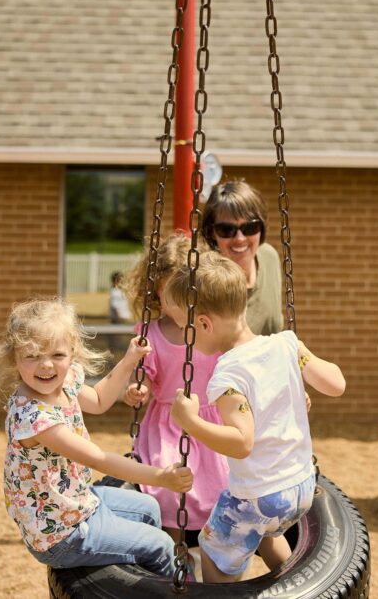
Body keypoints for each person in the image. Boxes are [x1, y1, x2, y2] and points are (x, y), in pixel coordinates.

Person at [166, 252, 346, 583]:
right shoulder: (287, 344)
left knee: (211, 548)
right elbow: (336, 385)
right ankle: (295, 585)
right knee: (264, 533)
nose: (183, 338)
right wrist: (297, 368)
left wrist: (190, 421)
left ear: (204, 324)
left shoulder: (227, 375)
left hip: (259, 498)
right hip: (302, 488)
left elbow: (242, 442)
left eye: (183, 328)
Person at [0, 296, 193, 575]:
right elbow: (98, 459)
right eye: (32, 356)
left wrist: (129, 360)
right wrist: (160, 477)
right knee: (162, 546)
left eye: (57, 355)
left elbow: (99, 399)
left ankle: (142, 580)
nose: (46, 366)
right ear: (14, 359)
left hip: (78, 501)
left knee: (149, 508)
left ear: (72, 352)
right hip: (62, 535)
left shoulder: (65, 381)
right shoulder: (34, 418)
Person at [118, 234, 229, 542]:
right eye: (168, 293)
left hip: (210, 421)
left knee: (224, 483)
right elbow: (143, 376)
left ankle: (216, 558)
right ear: (154, 291)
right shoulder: (150, 333)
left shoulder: (213, 329)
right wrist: (136, 389)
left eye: (184, 292)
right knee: (168, 485)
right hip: (168, 424)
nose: (177, 302)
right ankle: (175, 554)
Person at [201, 179, 283, 336]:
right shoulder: (205, 278)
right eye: (226, 229)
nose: (240, 238)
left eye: (250, 227)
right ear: (211, 232)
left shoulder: (269, 257)